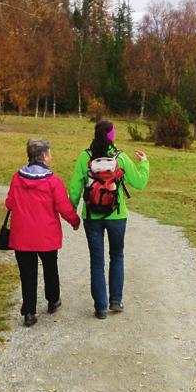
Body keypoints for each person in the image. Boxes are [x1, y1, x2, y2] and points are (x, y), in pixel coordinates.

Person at [68, 120, 149, 319]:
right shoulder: (120, 157)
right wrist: (144, 162)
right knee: (117, 255)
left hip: (92, 216)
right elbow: (139, 182)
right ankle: (116, 301)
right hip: (117, 215)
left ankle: (100, 308)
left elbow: (74, 188)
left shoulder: (84, 157)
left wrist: (72, 214)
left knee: (97, 261)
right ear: (112, 136)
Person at [6, 138, 80, 327]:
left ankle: (29, 312)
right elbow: (63, 206)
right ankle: (53, 300)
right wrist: (74, 221)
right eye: (50, 153)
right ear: (45, 156)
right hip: (46, 235)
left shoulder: (17, 177)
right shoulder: (53, 181)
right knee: (50, 267)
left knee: (27, 274)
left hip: (22, 235)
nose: (51, 156)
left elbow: (9, 203)